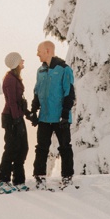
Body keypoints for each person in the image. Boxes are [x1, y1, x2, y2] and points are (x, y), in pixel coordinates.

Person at [30, 40, 75, 189]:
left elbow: (69, 93)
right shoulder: (40, 71)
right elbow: (37, 92)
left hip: (60, 117)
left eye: (39, 50)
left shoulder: (64, 69)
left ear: (48, 51)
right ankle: (39, 177)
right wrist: (33, 110)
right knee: (41, 148)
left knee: (64, 147)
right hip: (44, 117)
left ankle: (67, 177)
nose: (37, 54)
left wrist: (64, 115)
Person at [0, 52, 29, 193]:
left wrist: (26, 114)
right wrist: (16, 120)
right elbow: (11, 101)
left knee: (23, 148)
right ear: (16, 63)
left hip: (16, 117)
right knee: (11, 148)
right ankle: (3, 180)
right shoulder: (10, 79)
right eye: (20, 59)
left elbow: (18, 101)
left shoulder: (15, 78)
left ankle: (18, 180)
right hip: (11, 118)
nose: (23, 61)